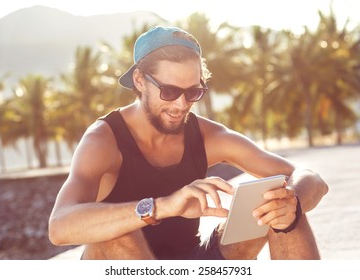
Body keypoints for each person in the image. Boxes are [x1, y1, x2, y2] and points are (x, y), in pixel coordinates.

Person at [48, 26, 328, 260]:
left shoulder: (207, 135)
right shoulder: (103, 140)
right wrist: (162, 206)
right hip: (120, 263)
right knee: (118, 236)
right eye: (169, 91)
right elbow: (59, 226)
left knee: (283, 209)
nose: (181, 105)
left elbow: (311, 178)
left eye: (193, 92)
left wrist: (293, 203)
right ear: (140, 80)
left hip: (191, 261)